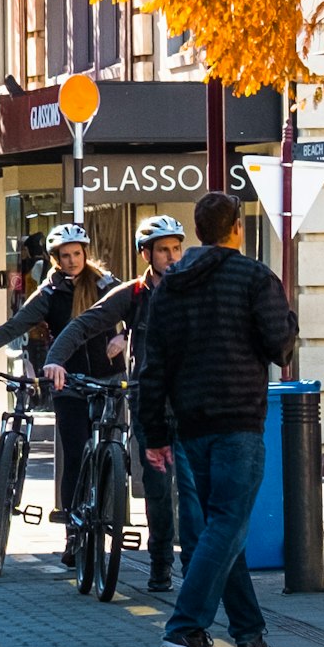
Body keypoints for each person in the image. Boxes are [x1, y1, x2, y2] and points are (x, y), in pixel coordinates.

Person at [133, 190, 296, 647]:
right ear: (237, 228)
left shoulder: (170, 286)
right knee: (227, 522)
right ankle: (186, 627)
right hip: (239, 417)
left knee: (222, 526)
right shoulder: (254, 277)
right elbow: (279, 346)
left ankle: (248, 631)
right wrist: (287, 322)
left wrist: (155, 433)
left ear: (198, 232)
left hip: (190, 422)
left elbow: (152, 366)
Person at [55, 216, 189, 591]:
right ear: (146, 254)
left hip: (194, 405)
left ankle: (193, 570)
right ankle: (161, 567)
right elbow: (84, 324)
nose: (172, 256)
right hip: (151, 408)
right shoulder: (133, 293)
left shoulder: (195, 289)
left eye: (177, 248)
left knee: (192, 493)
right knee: (159, 492)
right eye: (163, 249)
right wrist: (54, 358)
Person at [0, 220, 111, 536]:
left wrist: (123, 337)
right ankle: (73, 533)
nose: (72, 260)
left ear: (85, 253)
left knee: (109, 450)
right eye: (65, 256)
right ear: (55, 259)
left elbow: (133, 310)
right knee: (75, 455)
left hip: (106, 380)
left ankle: (107, 512)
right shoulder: (50, 293)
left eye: (77, 254)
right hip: (67, 382)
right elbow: (15, 326)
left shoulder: (106, 284)